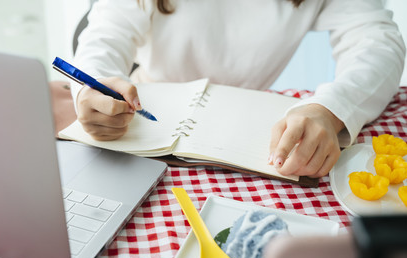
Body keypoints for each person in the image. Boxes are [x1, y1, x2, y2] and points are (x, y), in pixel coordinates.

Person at [70, 0, 405, 178]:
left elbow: (376, 40)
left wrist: (331, 109)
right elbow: (103, 38)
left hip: (247, 135)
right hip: (144, 125)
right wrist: (92, 87)